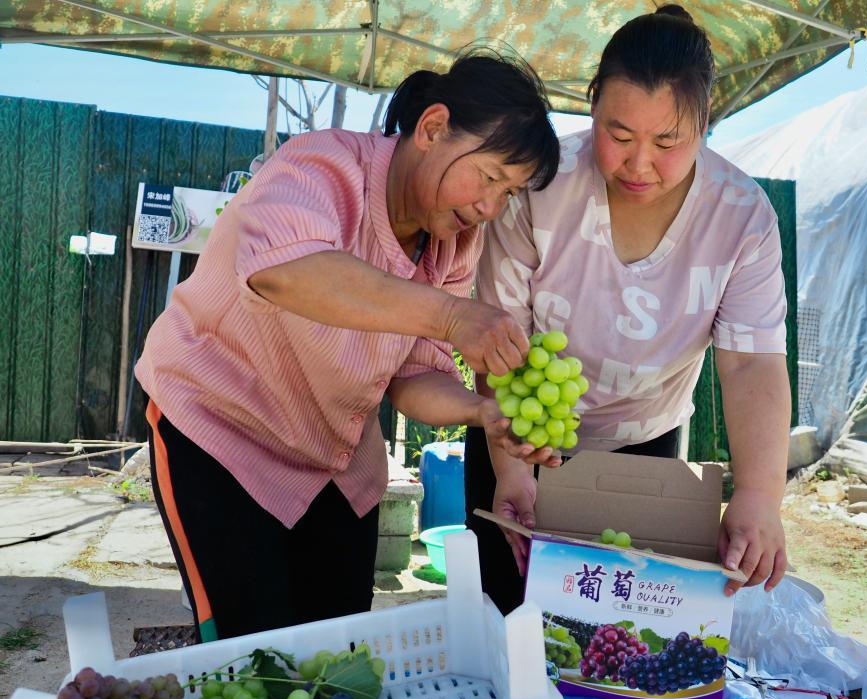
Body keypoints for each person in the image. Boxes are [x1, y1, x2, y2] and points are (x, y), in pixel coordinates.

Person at [136, 51, 560, 641]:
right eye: (489, 177)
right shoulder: (322, 167)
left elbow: (414, 377)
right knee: (254, 656)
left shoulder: (454, 243)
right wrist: (450, 315)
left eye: (509, 194)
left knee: (338, 660)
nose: (490, 208)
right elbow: (285, 272)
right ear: (433, 128)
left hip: (333, 462)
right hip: (220, 437)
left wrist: (481, 411)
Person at [465, 5, 791, 615]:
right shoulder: (539, 186)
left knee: (620, 633)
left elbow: (752, 368)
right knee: (509, 620)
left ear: (706, 125)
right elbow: (498, 341)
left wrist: (757, 495)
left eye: (668, 141)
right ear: (591, 108)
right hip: (517, 439)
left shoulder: (742, 217)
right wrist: (513, 473)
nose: (639, 165)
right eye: (618, 136)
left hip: (645, 443)